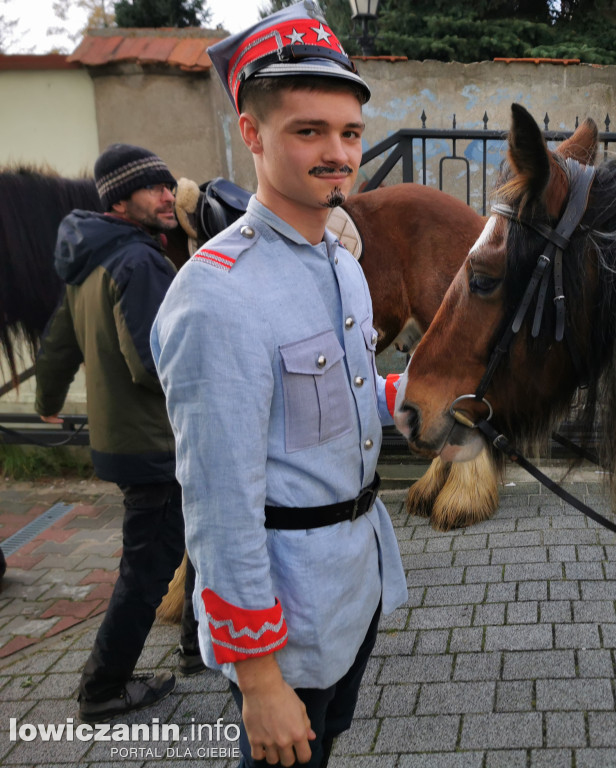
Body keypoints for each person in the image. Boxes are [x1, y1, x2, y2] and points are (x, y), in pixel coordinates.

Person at [151, 3, 407, 766]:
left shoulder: (339, 261)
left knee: (324, 746)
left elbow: (341, 405)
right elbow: (220, 506)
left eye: (350, 133)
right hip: (284, 621)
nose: (338, 153)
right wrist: (257, 680)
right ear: (252, 134)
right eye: (309, 131)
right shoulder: (217, 296)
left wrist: (425, 404)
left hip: (349, 591)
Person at [33, 143, 201, 722]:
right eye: (152, 189)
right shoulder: (139, 260)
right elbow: (153, 363)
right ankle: (103, 688)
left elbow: (56, 343)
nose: (167, 196)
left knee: (188, 540)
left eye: (166, 185)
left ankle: (197, 647)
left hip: (121, 441)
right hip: (153, 442)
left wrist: (47, 402)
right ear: (120, 200)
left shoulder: (89, 258)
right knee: (149, 568)